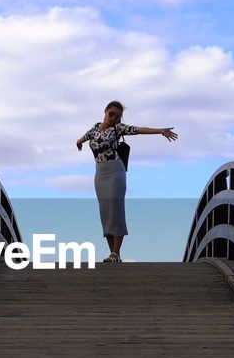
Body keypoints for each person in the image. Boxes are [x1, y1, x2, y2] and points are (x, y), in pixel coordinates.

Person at [75, 100, 178, 262]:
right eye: (111, 114)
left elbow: (138, 129)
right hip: (100, 174)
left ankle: (115, 253)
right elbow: (83, 138)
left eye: (117, 116)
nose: (114, 118)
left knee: (116, 210)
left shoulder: (118, 128)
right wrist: (78, 143)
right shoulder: (95, 127)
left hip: (115, 171)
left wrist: (161, 131)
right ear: (105, 111)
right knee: (105, 213)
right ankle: (114, 254)